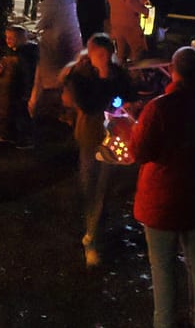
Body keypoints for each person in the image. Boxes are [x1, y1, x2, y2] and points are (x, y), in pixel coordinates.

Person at [133, 46, 195, 328]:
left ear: (173, 70)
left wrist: (130, 128)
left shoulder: (160, 107)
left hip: (161, 198)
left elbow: (141, 152)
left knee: (162, 267)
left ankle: (165, 321)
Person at [61, 33, 132, 267]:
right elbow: (89, 105)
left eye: (106, 54)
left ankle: (92, 240)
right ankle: (90, 226)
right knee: (89, 186)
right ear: (89, 54)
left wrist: (126, 103)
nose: (102, 58)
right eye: (97, 54)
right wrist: (102, 78)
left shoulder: (119, 74)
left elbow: (128, 95)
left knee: (102, 188)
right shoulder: (80, 76)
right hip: (90, 137)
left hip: (113, 139)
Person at [30, 0, 83, 121]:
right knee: (68, 77)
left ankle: (48, 111)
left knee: (49, 79)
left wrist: (34, 31)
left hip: (55, 46)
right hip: (72, 42)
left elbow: (44, 21)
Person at [0, 24, 38, 148]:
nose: (8, 40)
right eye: (7, 37)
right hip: (13, 87)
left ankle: (26, 138)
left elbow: (28, 73)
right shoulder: (14, 51)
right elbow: (6, 63)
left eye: (11, 38)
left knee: (23, 114)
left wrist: (28, 92)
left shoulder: (26, 55)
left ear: (21, 39)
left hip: (22, 89)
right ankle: (10, 133)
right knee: (11, 110)